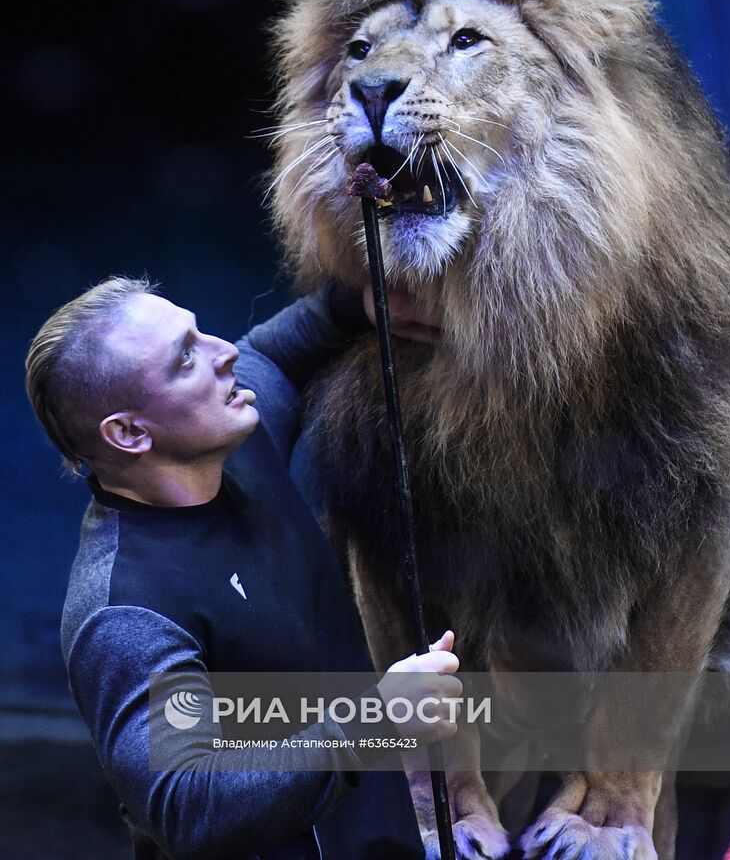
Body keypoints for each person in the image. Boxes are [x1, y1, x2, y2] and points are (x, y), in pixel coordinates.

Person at [25, 276, 456, 860]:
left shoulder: (239, 437)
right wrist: (376, 721)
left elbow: (275, 350)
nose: (223, 351)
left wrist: (359, 303)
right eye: (185, 359)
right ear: (128, 433)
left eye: (200, 331)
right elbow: (188, 806)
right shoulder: (126, 609)